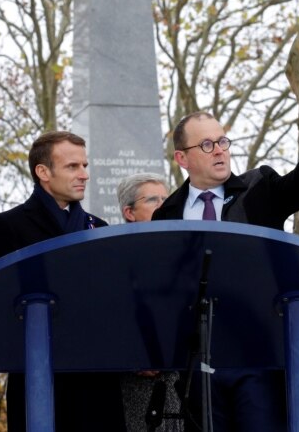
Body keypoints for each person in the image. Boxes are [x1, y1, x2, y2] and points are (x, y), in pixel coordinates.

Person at [152, 107, 299, 431]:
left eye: (222, 141)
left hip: (260, 356)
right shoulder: (167, 214)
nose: (219, 150)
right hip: (200, 360)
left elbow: (298, 187)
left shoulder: (258, 187)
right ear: (182, 158)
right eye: (206, 145)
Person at [0, 130, 124, 432]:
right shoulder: (8, 226)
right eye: (73, 167)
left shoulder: (100, 228)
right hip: (39, 375)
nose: (84, 175)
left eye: (85, 166)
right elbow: (3, 306)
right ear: (43, 172)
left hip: (97, 377)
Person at [116, 173, 180, 432]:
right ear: (129, 212)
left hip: (176, 379)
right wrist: (133, 355)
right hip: (132, 381)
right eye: (153, 199)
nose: (163, 205)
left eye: (166, 198)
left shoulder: (180, 255)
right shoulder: (114, 257)